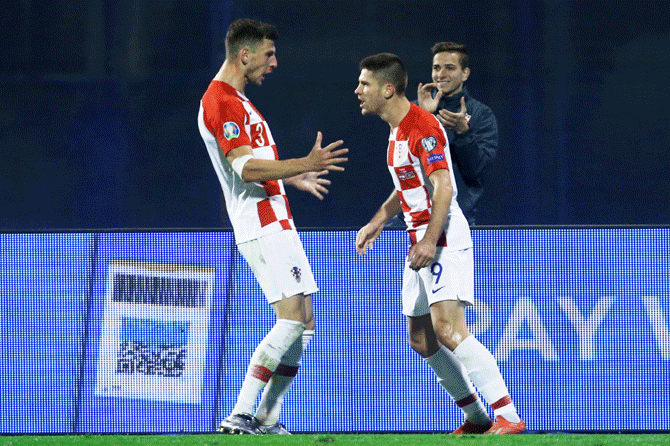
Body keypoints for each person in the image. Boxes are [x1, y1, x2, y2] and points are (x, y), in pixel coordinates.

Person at [354, 53, 525, 435]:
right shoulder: (397, 129)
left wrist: (431, 240)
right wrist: (378, 220)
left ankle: (508, 415)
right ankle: (478, 418)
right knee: (421, 339)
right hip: (419, 242)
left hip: (442, 238)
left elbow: (444, 186)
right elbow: (407, 185)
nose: (358, 91)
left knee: (448, 330)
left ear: (387, 89)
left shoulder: (421, 127)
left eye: (364, 84)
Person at [198, 18, 348, 435]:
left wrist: (290, 178)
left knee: (305, 320)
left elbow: (258, 166)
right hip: (260, 222)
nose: (274, 63)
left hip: (275, 217)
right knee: (290, 318)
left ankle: (267, 417)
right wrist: (305, 163)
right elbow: (244, 168)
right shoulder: (222, 101)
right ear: (244, 55)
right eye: (268, 55)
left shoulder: (239, 101)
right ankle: (241, 413)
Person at [416, 42, 498, 226]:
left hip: (458, 221)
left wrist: (463, 133)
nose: (441, 75)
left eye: (449, 68)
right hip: (414, 216)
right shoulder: (417, 110)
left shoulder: (481, 115)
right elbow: (403, 162)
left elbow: (475, 171)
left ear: (465, 73)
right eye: (436, 68)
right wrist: (425, 118)